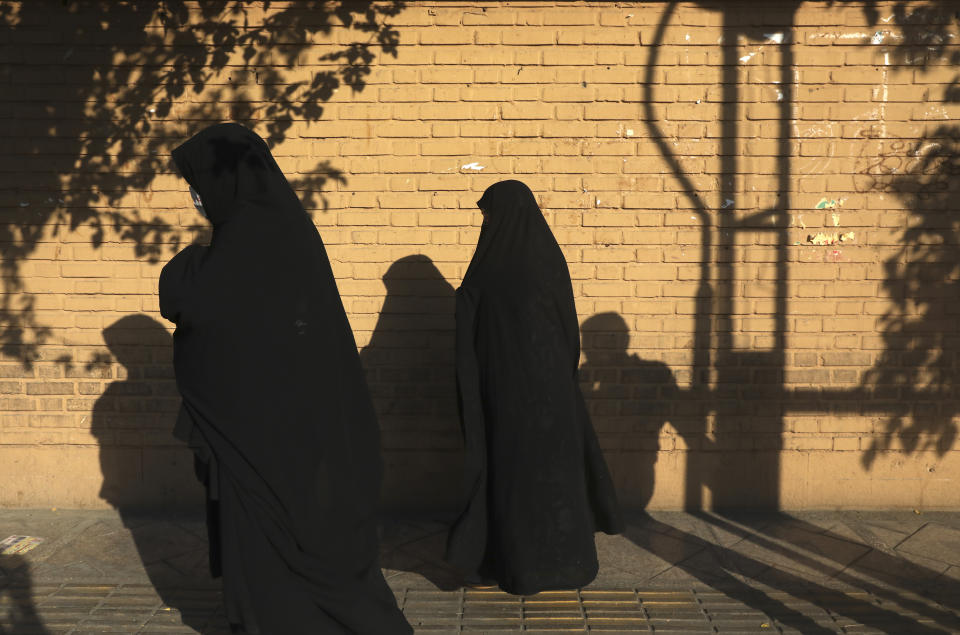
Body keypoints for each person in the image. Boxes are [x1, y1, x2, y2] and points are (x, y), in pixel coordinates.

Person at [159, 123, 411, 634]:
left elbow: (197, 310)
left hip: (263, 431)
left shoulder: (244, 242)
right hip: (296, 423)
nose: (194, 196)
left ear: (223, 181)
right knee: (297, 527)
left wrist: (186, 266)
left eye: (197, 182)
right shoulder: (279, 230)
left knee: (278, 533)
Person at [445, 179, 624, 595]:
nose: (486, 223)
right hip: (554, 396)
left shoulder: (489, 267)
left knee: (512, 481)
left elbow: (471, 323)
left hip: (505, 396)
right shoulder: (549, 260)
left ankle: (515, 567)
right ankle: (566, 565)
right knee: (556, 480)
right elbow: (568, 331)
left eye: (488, 215)